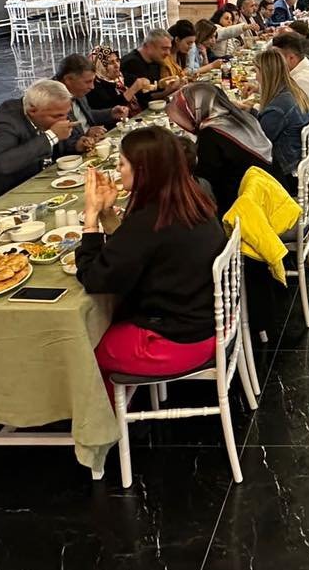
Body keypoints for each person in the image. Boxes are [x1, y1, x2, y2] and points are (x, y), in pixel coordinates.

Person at [76, 127, 228, 385]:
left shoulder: (150, 220)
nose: (117, 169)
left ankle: (110, 410)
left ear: (143, 171)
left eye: (122, 163)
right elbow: (130, 252)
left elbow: (96, 278)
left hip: (177, 341)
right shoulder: (191, 198)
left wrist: (90, 218)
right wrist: (107, 214)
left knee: (83, 349)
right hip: (207, 323)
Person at [0, 79, 76, 209]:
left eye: (66, 114)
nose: (64, 120)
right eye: (57, 116)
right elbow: (5, 164)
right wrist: (52, 135)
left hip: (35, 186)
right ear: (32, 111)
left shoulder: (43, 112)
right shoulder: (4, 123)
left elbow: (49, 150)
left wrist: (75, 145)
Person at [168, 82, 274, 211]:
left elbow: (204, 181)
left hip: (246, 204)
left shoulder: (211, 135)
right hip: (271, 189)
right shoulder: (240, 116)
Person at [252, 47, 309, 192]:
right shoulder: (292, 91)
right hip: (298, 163)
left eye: (256, 71)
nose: (255, 77)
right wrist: (250, 110)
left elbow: (259, 143)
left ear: (266, 73)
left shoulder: (277, 108)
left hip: (286, 175)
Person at [54, 53, 129, 138]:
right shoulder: (51, 99)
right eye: (88, 82)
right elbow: (55, 139)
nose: (92, 87)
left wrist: (111, 113)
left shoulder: (76, 90)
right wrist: (84, 135)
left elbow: (86, 115)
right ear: (68, 79)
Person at [272, 30, 309, 109]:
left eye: (277, 57)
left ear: (291, 58)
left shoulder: (301, 81)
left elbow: (280, 110)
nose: (274, 61)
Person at [120, 28, 181, 101]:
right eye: (164, 48)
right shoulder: (130, 63)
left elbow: (156, 89)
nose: (168, 53)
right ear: (149, 46)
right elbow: (142, 99)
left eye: (169, 49)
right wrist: (168, 91)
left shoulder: (156, 60)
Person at [86, 44, 140, 115]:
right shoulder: (95, 84)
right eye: (111, 62)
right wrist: (133, 90)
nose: (117, 65)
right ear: (100, 66)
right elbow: (111, 109)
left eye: (117, 60)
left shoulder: (120, 77)